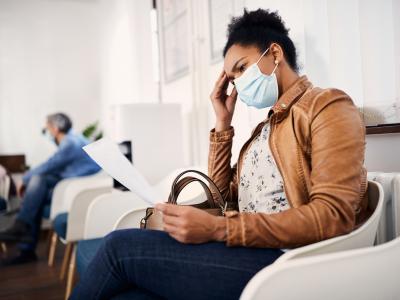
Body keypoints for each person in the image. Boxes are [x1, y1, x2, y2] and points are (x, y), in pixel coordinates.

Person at [71, 9, 368, 300]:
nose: (237, 83)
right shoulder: (267, 127)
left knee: (117, 248)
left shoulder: (327, 105)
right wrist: (222, 124)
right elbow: (222, 195)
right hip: (251, 250)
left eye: (241, 68)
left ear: (274, 54)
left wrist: (220, 229)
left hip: (286, 263)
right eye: (231, 77)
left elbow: (334, 216)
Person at [0, 113, 101, 265]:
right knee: (37, 185)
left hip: (77, 189)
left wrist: (25, 179)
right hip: (71, 184)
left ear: (55, 128)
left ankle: (23, 236)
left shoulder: (70, 143)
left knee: (36, 189)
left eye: (47, 127)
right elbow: (55, 167)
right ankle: (23, 233)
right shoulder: (72, 139)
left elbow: (51, 164)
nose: (46, 131)